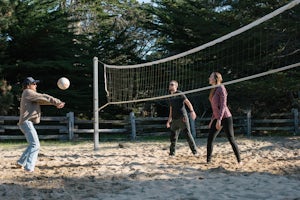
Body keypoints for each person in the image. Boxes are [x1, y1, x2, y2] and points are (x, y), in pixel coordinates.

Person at [17, 77, 65, 173]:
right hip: (26, 123)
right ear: (28, 85)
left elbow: (42, 101)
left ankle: (21, 162)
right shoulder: (27, 92)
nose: (36, 85)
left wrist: (55, 104)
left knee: (32, 144)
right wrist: (57, 102)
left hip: (25, 123)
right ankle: (29, 167)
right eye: (34, 83)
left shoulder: (29, 95)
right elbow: (43, 97)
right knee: (35, 145)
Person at [207, 72, 241, 164]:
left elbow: (223, 105)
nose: (209, 78)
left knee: (231, 139)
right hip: (217, 117)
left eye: (210, 77)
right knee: (210, 138)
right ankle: (208, 161)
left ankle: (239, 161)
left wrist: (219, 119)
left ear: (215, 78)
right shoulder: (213, 89)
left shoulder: (221, 88)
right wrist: (212, 120)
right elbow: (215, 108)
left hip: (225, 117)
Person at [166, 80, 198, 156]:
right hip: (174, 119)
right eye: (170, 84)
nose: (170, 86)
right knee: (173, 137)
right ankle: (172, 153)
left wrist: (192, 111)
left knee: (187, 135)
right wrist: (169, 120)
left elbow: (188, 102)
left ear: (176, 86)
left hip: (182, 117)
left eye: (172, 84)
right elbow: (171, 109)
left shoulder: (179, 93)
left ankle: (195, 152)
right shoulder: (170, 97)